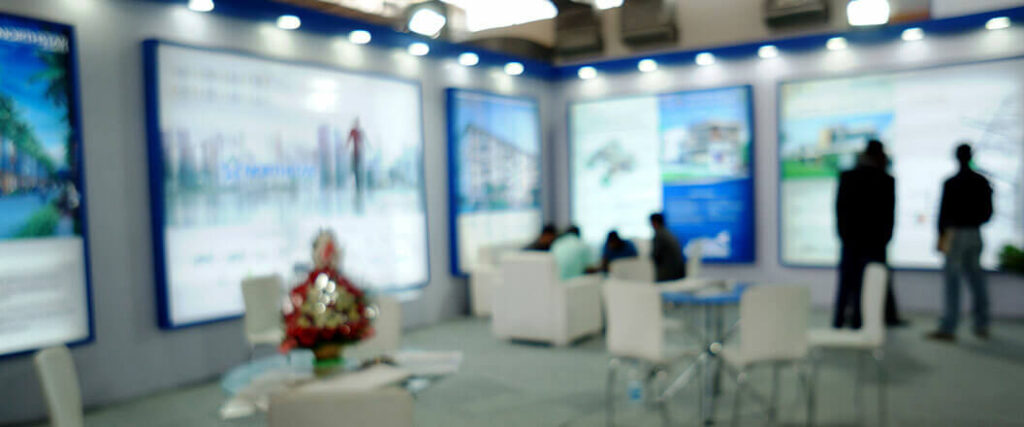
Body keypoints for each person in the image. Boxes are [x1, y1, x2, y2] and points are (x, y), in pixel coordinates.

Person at [833, 140, 906, 329]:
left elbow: (839, 209)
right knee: (875, 281)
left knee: (847, 284)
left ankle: (840, 321)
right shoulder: (886, 179)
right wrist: (886, 238)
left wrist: (843, 235)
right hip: (876, 242)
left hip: (851, 240)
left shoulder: (848, 176)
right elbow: (890, 214)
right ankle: (864, 321)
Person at [928, 144, 993, 342]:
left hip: (955, 233)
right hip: (974, 233)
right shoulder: (981, 181)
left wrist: (941, 235)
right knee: (977, 280)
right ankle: (981, 324)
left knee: (953, 282)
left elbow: (943, 211)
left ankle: (949, 326)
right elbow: (989, 212)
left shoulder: (952, 182)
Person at [649, 213, 686, 282]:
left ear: (654, 222)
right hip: (678, 272)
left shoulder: (659, 235)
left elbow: (655, 255)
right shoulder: (668, 233)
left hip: (668, 275)